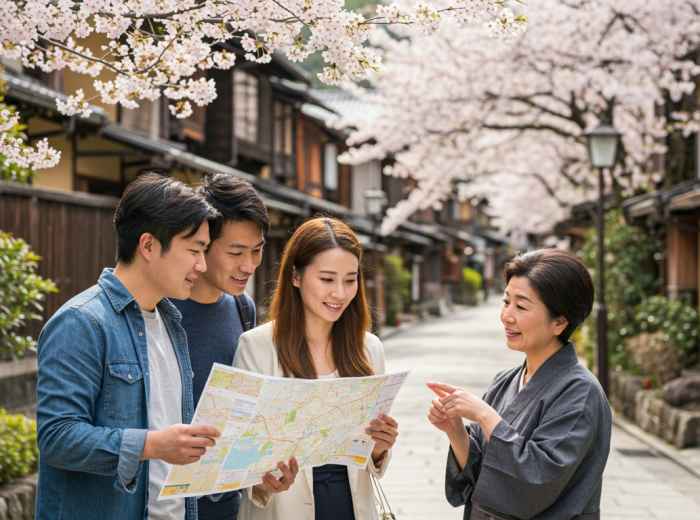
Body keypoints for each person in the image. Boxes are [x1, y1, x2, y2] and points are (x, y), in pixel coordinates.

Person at [36, 173, 223, 520]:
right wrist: (152, 445)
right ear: (149, 245)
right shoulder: (81, 322)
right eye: (194, 249)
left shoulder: (171, 322)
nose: (202, 265)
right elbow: (57, 437)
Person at [233, 217, 400, 520]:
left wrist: (380, 448)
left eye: (350, 280)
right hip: (284, 508)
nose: (339, 292)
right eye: (326, 279)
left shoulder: (369, 348)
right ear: (296, 276)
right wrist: (264, 483)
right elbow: (238, 456)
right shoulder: (256, 348)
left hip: (353, 508)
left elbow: (370, 460)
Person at [427, 248, 612, 520]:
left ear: (559, 322)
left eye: (521, 306)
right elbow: (482, 481)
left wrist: (484, 414)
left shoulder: (580, 392)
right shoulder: (505, 382)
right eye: (506, 302)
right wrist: (455, 431)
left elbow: (537, 479)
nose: (506, 316)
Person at [173, 173, 298, 519]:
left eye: (256, 251)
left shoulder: (242, 307)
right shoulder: (163, 310)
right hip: (169, 503)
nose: (248, 266)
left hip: (226, 504)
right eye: (235, 252)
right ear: (202, 245)